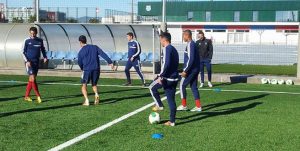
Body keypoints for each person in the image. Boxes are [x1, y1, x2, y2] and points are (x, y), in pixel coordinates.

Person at [149, 32, 179, 127]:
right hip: (174, 78)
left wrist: (160, 76)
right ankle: (172, 121)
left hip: (166, 78)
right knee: (171, 100)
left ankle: (159, 105)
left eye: (160, 39)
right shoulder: (174, 49)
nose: (160, 41)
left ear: (164, 39)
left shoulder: (166, 49)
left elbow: (166, 64)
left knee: (151, 87)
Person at [77, 35, 114, 106]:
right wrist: (110, 62)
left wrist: (82, 68)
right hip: (96, 69)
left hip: (87, 70)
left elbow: (79, 62)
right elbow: (103, 54)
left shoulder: (81, 51)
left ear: (80, 42)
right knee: (94, 84)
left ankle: (87, 100)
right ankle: (96, 94)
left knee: (84, 85)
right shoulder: (95, 47)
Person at [177, 30, 202, 112]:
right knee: (194, 87)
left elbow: (191, 59)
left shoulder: (190, 44)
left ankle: (184, 105)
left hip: (190, 70)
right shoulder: (193, 44)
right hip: (195, 69)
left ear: (187, 36)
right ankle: (198, 106)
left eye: (183, 36)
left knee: (182, 85)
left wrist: (185, 70)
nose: (183, 38)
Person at [22, 27, 47, 103]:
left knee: (31, 80)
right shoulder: (26, 41)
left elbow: (43, 49)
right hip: (29, 62)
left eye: (34, 33)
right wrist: (27, 61)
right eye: (31, 33)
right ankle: (38, 95)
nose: (32, 35)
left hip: (36, 62)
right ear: (29, 33)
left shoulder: (40, 41)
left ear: (36, 33)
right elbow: (22, 52)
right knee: (32, 78)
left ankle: (26, 96)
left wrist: (45, 57)